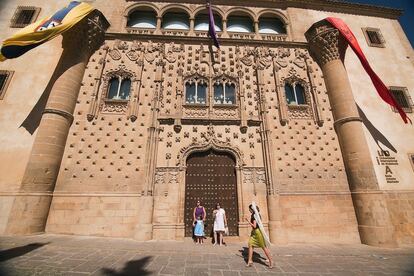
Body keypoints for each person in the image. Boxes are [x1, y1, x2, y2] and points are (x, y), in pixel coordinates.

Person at [244, 202, 273, 268]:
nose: (249, 210)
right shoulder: (256, 214)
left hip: (257, 233)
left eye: (249, 209)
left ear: (252, 209)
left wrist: (248, 221)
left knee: (264, 247)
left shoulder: (254, 216)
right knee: (250, 244)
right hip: (254, 233)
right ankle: (250, 261)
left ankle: (271, 262)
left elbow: (254, 226)